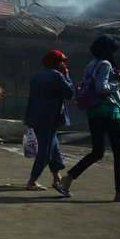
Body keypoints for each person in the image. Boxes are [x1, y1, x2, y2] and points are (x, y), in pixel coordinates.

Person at [59, 35, 120, 202]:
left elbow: (95, 87)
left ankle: (68, 178)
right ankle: (119, 192)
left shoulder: (90, 65)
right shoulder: (105, 64)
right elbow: (102, 89)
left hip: (93, 112)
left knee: (97, 152)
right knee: (119, 151)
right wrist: (117, 82)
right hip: (108, 111)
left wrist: (117, 89)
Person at [24, 50, 74, 193]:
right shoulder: (57, 76)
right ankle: (32, 181)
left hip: (36, 117)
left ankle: (57, 177)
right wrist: (67, 76)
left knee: (54, 147)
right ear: (56, 62)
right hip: (49, 118)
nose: (63, 64)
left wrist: (27, 116)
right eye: (61, 61)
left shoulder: (37, 77)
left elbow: (31, 98)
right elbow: (69, 93)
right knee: (45, 152)